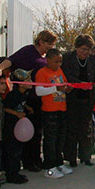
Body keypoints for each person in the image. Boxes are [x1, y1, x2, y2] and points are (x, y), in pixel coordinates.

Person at [0, 30, 58, 172]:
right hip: (25, 98)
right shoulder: (27, 51)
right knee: (26, 133)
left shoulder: (44, 57)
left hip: (39, 98)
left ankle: (35, 159)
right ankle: (27, 162)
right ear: (41, 41)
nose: (50, 48)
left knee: (37, 132)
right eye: (49, 44)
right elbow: (10, 60)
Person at [62, 35, 95, 167]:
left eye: (87, 49)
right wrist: (79, 83)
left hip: (88, 99)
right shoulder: (67, 58)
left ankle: (86, 157)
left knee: (86, 129)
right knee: (72, 129)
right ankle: (71, 158)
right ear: (76, 47)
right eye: (82, 49)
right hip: (72, 97)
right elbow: (65, 74)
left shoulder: (92, 60)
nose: (85, 52)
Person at [35, 49, 73, 178]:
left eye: (60, 61)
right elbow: (39, 91)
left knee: (60, 138)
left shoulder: (59, 71)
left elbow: (64, 84)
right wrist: (55, 88)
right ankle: (49, 167)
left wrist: (67, 88)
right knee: (50, 140)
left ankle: (59, 163)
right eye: (56, 61)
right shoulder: (42, 72)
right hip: (49, 110)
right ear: (48, 60)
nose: (58, 64)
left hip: (61, 108)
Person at [3, 69, 33, 184]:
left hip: (19, 128)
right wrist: (17, 114)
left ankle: (15, 172)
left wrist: (28, 108)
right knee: (12, 151)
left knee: (17, 150)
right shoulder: (13, 95)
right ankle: (11, 175)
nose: (31, 81)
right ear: (20, 83)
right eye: (28, 80)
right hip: (11, 127)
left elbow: (21, 105)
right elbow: (5, 108)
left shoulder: (23, 94)